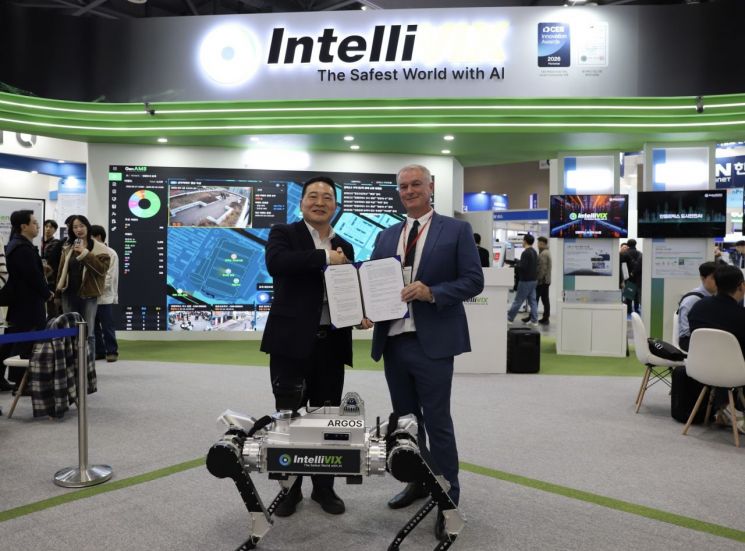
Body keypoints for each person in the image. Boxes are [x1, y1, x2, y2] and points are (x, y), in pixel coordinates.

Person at [369, 164, 484, 542]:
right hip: (394, 341)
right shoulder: (386, 235)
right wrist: (365, 309)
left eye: (416, 184)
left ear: (430, 187)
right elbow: (372, 283)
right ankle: (419, 482)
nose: (409, 191)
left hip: (432, 342)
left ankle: (448, 497)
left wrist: (432, 292)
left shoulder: (456, 230)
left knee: (437, 421)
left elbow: (474, 280)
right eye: (403, 186)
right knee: (406, 423)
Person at [260, 176, 355, 518]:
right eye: (312, 196)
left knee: (327, 418)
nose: (319, 202)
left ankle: (324, 488)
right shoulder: (283, 233)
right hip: (291, 343)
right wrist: (325, 257)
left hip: (331, 343)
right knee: (289, 417)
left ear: (335, 206)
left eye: (327, 197)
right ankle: (290, 489)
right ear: (301, 203)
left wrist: (360, 313)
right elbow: (278, 264)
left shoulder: (345, 245)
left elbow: (348, 289)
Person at [0, 211, 54, 392]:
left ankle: (9, 380)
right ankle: (21, 383)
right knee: (25, 343)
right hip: (27, 304)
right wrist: (47, 293)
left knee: (12, 341)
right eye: (34, 223)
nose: (38, 226)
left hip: (21, 303)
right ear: (24, 226)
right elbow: (32, 277)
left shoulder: (18, 245)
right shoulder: (21, 248)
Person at [687, 264, 745, 433]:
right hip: (733, 373)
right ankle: (730, 408)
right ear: (741, 286)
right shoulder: (741, 316)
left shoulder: (698, 307)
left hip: (700, 370)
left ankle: (725, 408)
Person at [56, 215, 110, 355]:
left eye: (81, 226)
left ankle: (88, 365)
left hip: (89, 295)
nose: (78, 229)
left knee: (88, 332)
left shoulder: (100, 248)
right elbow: (61, 271)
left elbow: (101, 270)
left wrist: (85, 253)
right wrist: (57, 293)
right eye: (75, 227)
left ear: (87, 227)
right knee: (70, 332)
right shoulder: (68, 247)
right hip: (69, 294)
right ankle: (73, 363)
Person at [90, 225, 119, 362]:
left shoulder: (111, 253)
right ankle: (99, 351)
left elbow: (110, 276)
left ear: (98, 237)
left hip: (105, 295)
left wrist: (97, 288)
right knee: (94, 325)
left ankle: (112, 351)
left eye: (91, 237)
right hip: (91, 295)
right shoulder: (90, 252)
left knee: (107, 325)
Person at [677, 261, 718, 352]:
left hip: (707, 338)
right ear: (703, 278)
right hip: (689, 340)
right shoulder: (692, 299)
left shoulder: (715, 296)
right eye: (714, 278)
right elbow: (685, 331)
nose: (718, 281)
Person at [507, 234, 538, 326]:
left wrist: (513, 266)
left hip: (525, 280)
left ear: (525, 241)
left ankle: (510, 318)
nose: (522, 242)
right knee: (533, 301)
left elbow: (523, 267)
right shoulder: (534, 252)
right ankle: (534, 320)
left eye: (523, 240)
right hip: (533, 280)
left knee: (518, 300)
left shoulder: (525, 253)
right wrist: (518, 262)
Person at [41, 219, 63, 316]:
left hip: (51, 277)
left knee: (51, 303)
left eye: (51, 227)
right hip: (39, 275)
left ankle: (52, 321)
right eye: (46, 226)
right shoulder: (38, 241)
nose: (48, 229)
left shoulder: (56, 243)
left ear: (55, 230)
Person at [621, 238, 642, 315]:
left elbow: (623, 266)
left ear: (628, 245)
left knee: (629, 294)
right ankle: (636, 309)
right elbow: (641, 265)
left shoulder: (625, 254)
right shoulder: (640, 253)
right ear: (635, 244)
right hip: (638, 277)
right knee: (637, 294)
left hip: (628, 277)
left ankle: (629, 310)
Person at [535, 236, 551, 325]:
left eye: (539, 243)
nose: (538, 245)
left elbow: (542, 269)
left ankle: (536, 317)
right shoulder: (546, 252)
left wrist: (538, 279)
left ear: (543, 244)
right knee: (545, 299)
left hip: (542, 281)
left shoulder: (543, 254)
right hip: (546, 280)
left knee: (538, 299)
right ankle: (545, 317)